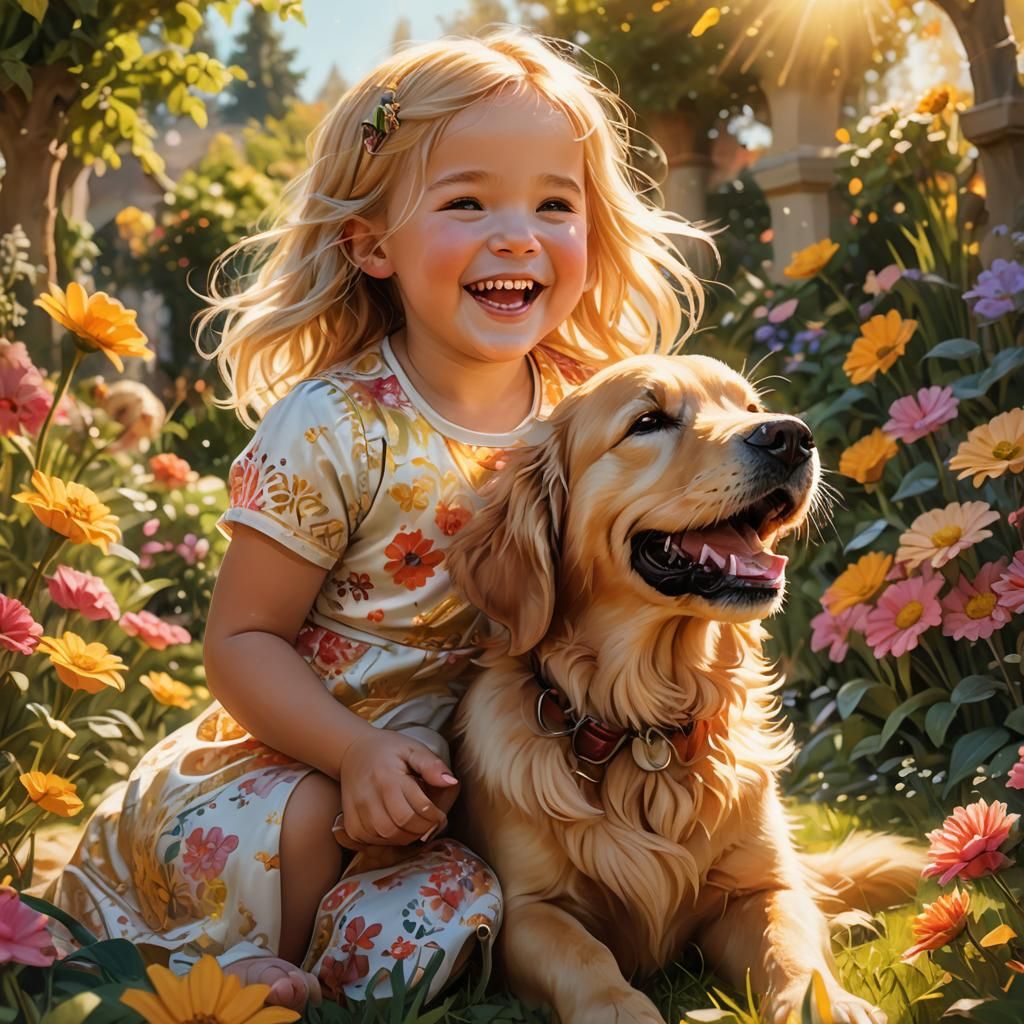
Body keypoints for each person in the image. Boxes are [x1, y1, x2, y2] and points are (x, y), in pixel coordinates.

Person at [47, 26, 714, 1012]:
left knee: (469, 900)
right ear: (370, 243)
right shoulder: (334, 425)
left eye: (554, 204)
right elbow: (240, 641)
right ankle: (214, 965)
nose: (517, 235)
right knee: (309, 822)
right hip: (301, 753)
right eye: (467, 202)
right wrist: (352, 751)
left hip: (464, 779)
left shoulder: (588, 410)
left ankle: (336, 967)